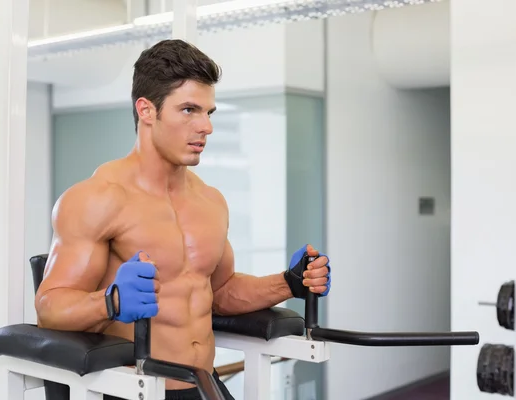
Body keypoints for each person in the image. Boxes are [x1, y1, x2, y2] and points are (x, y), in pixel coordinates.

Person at [35, 39, 332, 400]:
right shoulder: (97, 199)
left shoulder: (210, 200)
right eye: (189, 110)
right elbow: (50, 306)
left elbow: (220, 292)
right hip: (134, 388)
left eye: (209, 112)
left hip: (203, 385)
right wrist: (110, 302)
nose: (205, 126)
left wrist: (288, 282)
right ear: (146, 110)